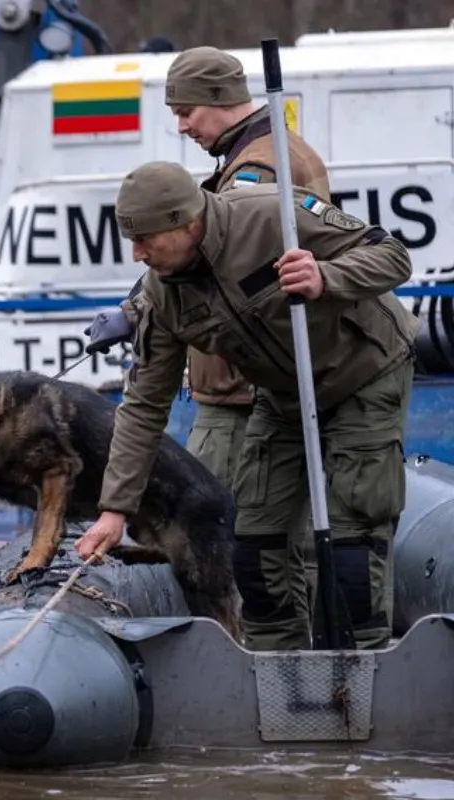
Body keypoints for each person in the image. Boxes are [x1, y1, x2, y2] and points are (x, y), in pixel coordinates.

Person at [75, 160, 417, 652]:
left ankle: (359, 666)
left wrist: (326, 275)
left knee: (351, 540)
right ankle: (278, 663)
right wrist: (114, 508)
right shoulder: (161, 297)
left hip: (364, 372)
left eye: (146, 239)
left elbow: (392, 257)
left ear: (186, 223)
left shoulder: (272, 214)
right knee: (253, 539)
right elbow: (144, 406)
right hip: (281, 394)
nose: (137, 254)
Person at [89, 46, 331, 488]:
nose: (182, 127)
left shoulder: (256, 168)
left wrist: (133, 312)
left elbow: (214, 259)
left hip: (240, 391)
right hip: (254, 380)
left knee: (209, 521)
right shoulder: (272, 148)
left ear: (220, 97)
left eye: (187, 112)